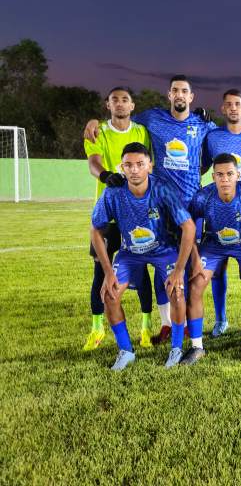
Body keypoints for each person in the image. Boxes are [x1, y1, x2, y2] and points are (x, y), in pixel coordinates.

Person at [89, 143, 196, 370]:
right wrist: (108, 272)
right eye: (128, 165)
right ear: (122, 167)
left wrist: (178, 270)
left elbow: (188, 227)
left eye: (140, 164)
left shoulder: (162, 189)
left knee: (176, 291)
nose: (134, 170)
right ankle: (126, 351)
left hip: (163, 251)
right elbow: (95, 230)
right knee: (109, 294)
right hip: (129, 253)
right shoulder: (113, 192)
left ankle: (176, 349)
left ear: (149, 166)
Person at [82, 86, 155, 351]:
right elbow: (93, 161)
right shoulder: (98, 130)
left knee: (140, 269)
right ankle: (97, 328)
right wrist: (105, 176)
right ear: (107, 104)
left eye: (125, 100)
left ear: (133, 106)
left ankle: (147, 327)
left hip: (137, 213)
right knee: (101, 271)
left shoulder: (142, 131)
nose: (120, 104)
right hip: (107, 212)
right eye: (115, 100)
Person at [182, 154, 241, 364]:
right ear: (212, 176)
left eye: (229, 174)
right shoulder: (203, 196)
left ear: (238, 175)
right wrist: (195, 258)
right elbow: (189, 226)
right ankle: (197, 347)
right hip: (213, 245)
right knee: (195, 285)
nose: (225, 179)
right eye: (220, 175)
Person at [201, 89, 241, 337]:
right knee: (218, 268)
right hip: (218, 208)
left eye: (238, 104)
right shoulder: (212, 137)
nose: (234, 108)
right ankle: (221, 319)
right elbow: (202, 166)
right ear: (223, 109)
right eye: (229, 105)